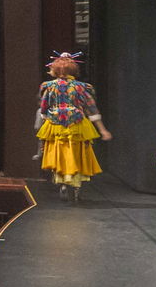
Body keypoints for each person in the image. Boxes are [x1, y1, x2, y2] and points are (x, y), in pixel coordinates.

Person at [34, 53, 111, 200]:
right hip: (77, 124)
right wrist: (102, 130)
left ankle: (63, 183)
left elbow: (44, 108)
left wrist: (44, 121)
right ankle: (76, 187)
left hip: (55, 125)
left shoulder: (49, 87)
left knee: (60, 155)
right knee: (76, 155)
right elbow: (91, 108)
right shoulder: (81, 87)